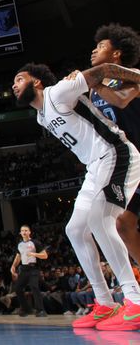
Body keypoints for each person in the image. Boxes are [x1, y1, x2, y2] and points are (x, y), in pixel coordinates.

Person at [12, 62, 140, 330]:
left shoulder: (58, 92)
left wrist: (137, 76)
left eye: (19, 79)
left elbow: (102, 69)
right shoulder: (41, 116)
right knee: (75, 230)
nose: (13, 85)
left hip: (116, 154)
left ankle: (135, 300)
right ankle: (105, 303)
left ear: (36, 82)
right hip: (95, 167)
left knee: (100, 219)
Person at [83, 24, 140, 262]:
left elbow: (121, 101)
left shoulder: (131, 75)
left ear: (116, 54)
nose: (94, 51)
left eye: (101, 46)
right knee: (123, 224)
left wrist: (92, 81)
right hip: (127, 162)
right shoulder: (95, 90)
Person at [9, 225, 48, 317]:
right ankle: (26, 309)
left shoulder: (35, 242)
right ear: (20, 233)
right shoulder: (20, 244)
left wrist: (34, 254)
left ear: (29, 232)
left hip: (33, 268)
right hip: (24, 269)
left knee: (34, 287)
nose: (24, 232)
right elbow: (18, 256)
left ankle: (41, 310)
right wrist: (13, 266)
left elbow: (45, 255)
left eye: (26, 230)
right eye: (22, 230)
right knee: (18, 288)